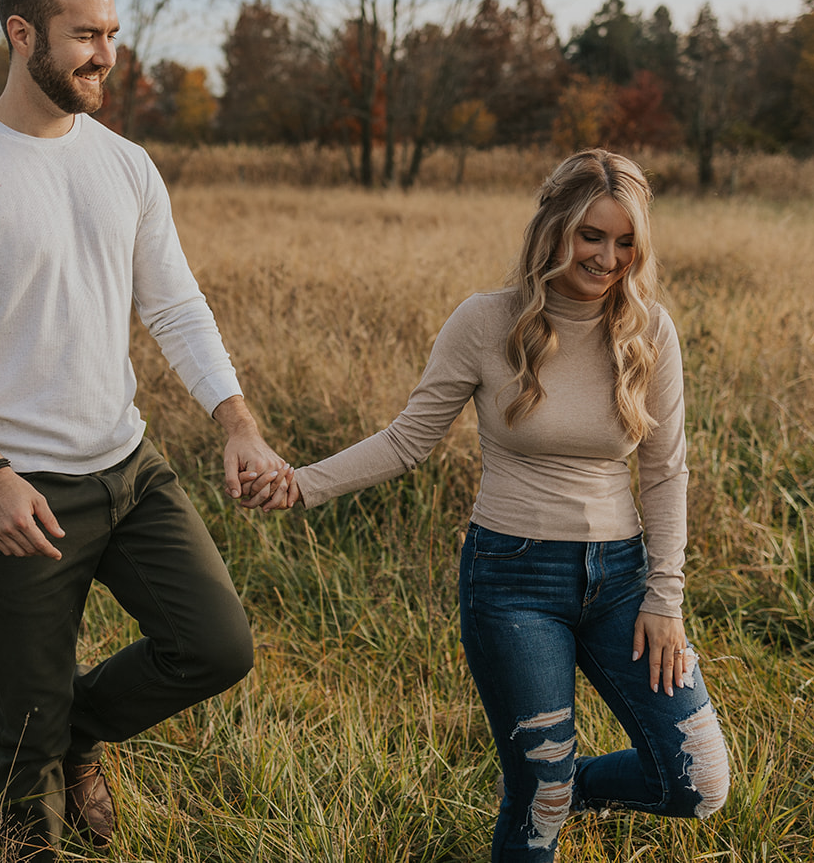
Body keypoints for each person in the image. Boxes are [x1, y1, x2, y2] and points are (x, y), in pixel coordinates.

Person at [0, 0, 295, 859]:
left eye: (112, 34)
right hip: (20, 488)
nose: (105, 55)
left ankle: (83, 729)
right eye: (84, 35)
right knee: (23, 736)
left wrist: (236, 419)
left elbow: (175, 305)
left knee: (216, 646)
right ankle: (38, 803)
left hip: (129, 468)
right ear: (21, 32)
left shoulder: (127, 165)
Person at [274, 150, 730, 860]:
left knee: (698, 779)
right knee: (538, 799)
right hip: (514, 580)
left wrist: (665, 597)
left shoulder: (649, 330)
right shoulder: (486, 321)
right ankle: (540, 791)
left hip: (622, 581)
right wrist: (303, 481)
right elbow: (406, 441)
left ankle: (551, 785)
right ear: (554, 228)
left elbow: (665, 469)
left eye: (624, 241)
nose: (607, 257)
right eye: (590, 235)